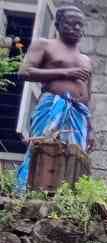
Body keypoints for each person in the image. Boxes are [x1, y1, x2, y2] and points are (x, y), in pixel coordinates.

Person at [15, 6, 93, 192]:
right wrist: (66, 72)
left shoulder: (86, 60)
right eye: (69, 24)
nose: (75, 28)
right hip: (52, 106)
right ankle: (27, 192)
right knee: (42, 147)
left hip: (78, 114)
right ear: (58, 24)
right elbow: (24, 72)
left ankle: (64, 196)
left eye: (79, 25)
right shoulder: (45, 45)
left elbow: (89, 95)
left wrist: (91, 128)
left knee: (74, 154)